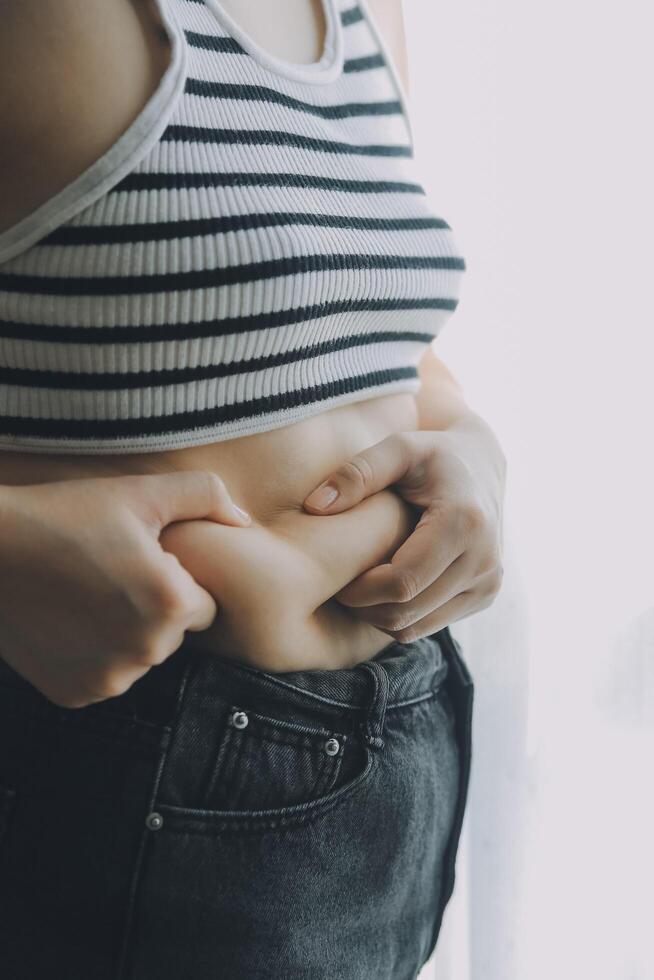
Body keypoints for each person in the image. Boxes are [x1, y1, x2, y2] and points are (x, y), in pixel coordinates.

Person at [0, 0, 505, 976]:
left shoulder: (360, 16)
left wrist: (474, 447)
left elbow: (367, 336)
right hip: (139, 773)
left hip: (398, 761)